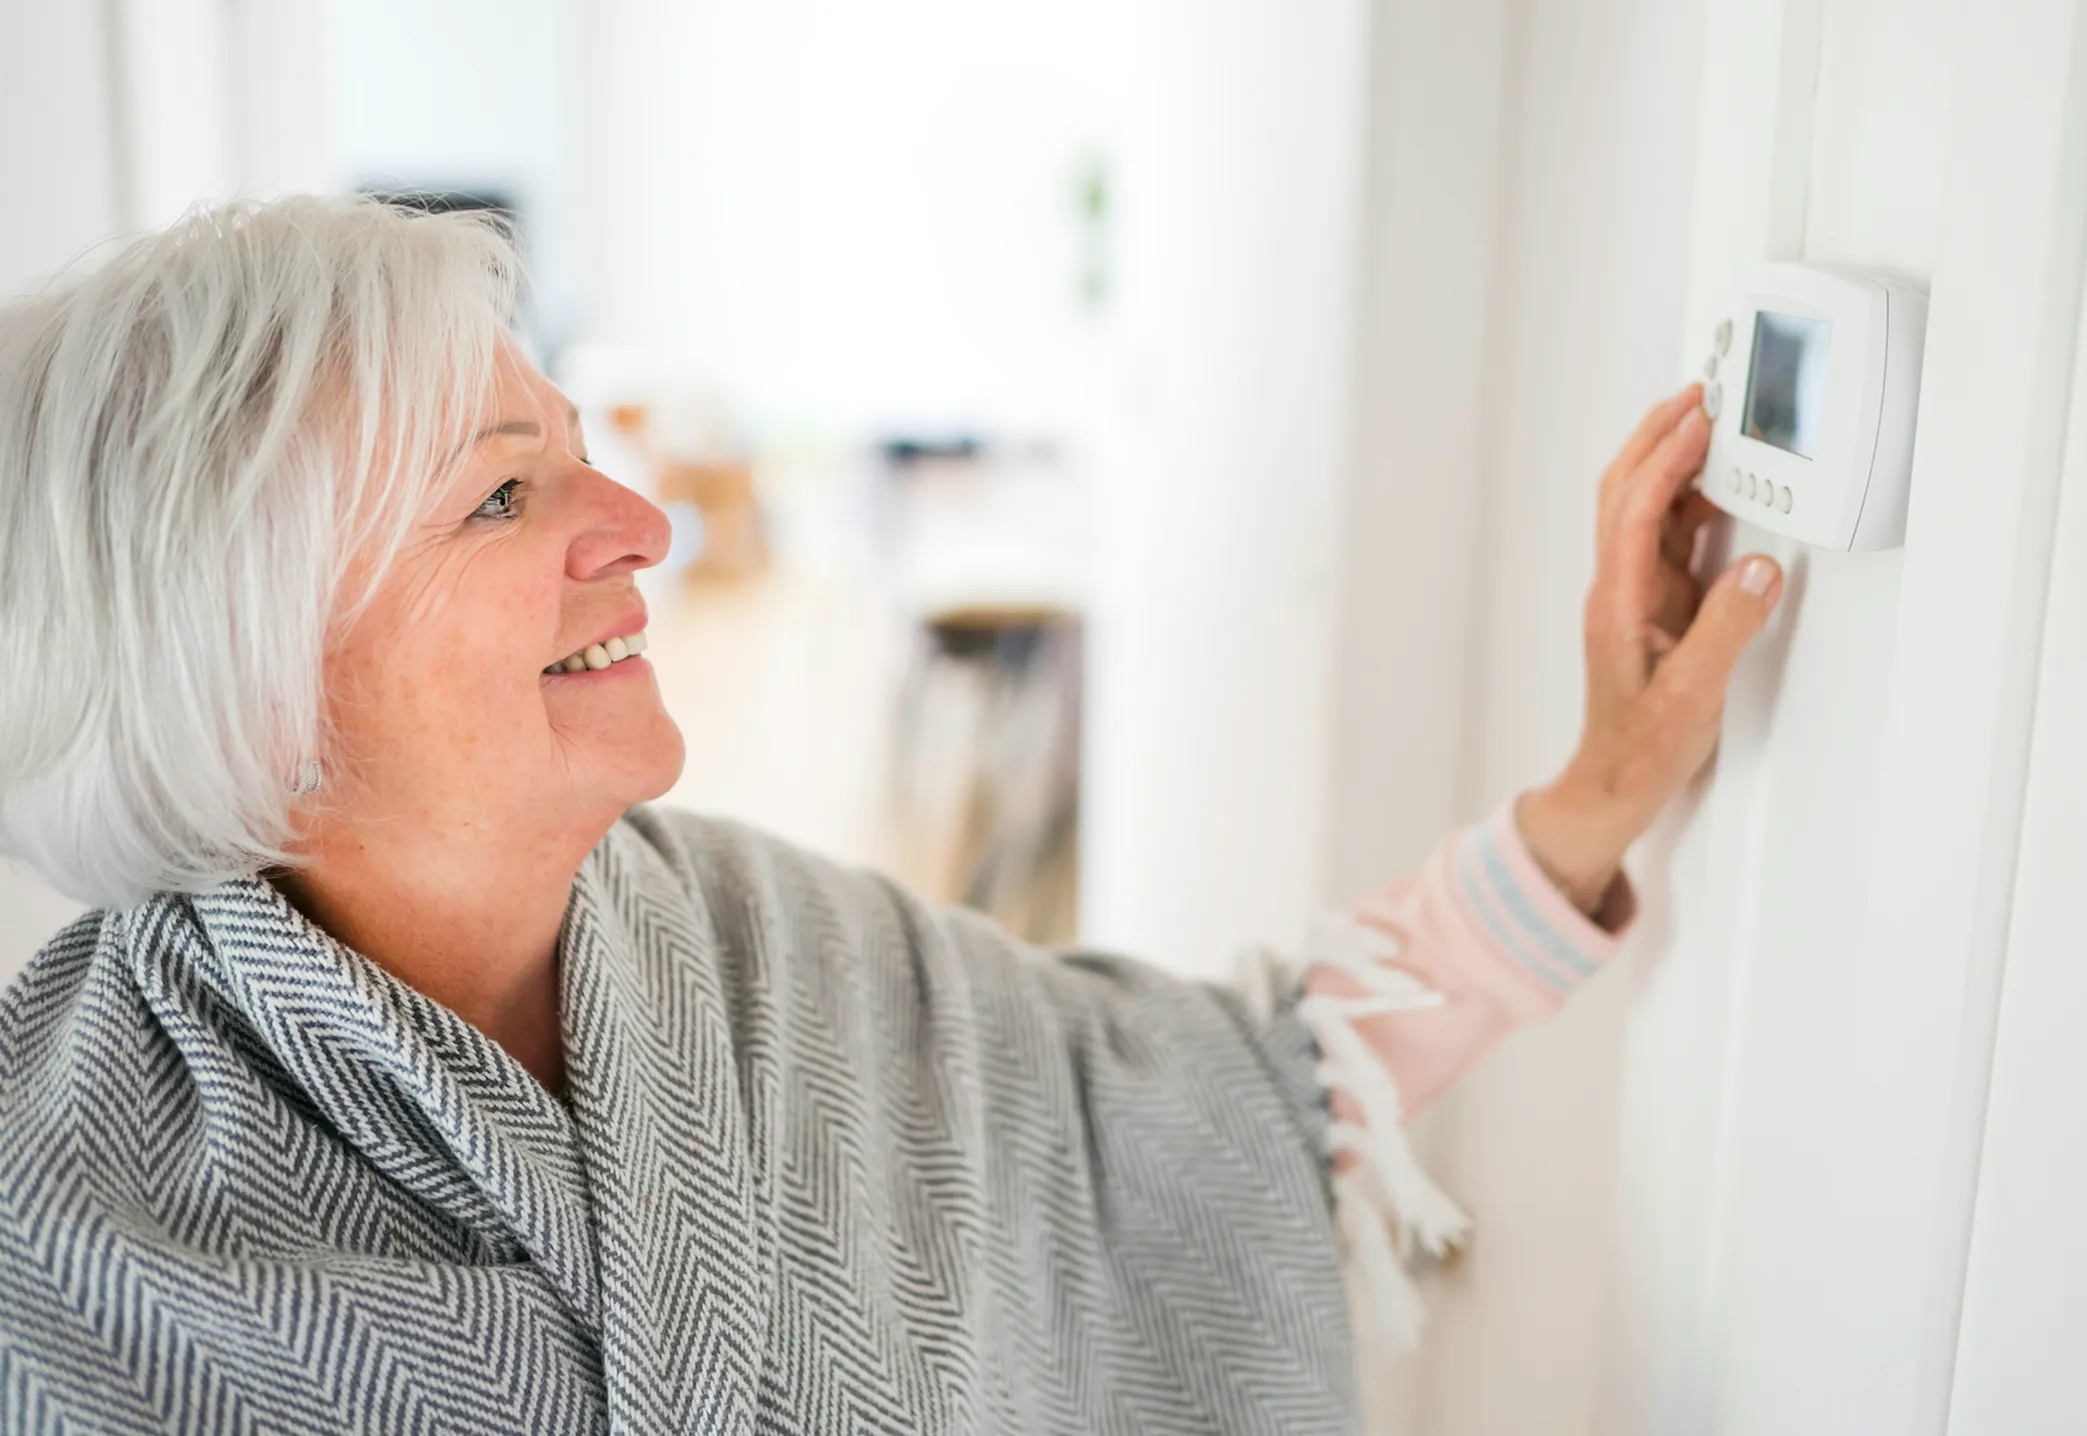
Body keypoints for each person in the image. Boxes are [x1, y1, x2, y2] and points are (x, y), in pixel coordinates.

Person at [0, 197, 1780, 1435]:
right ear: (248, 692)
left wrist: (1596, 792)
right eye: (504, 496)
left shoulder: (774, 954)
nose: (642, 525)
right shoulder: (56, 1268)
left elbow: (1227, 1097)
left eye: (580, 448)